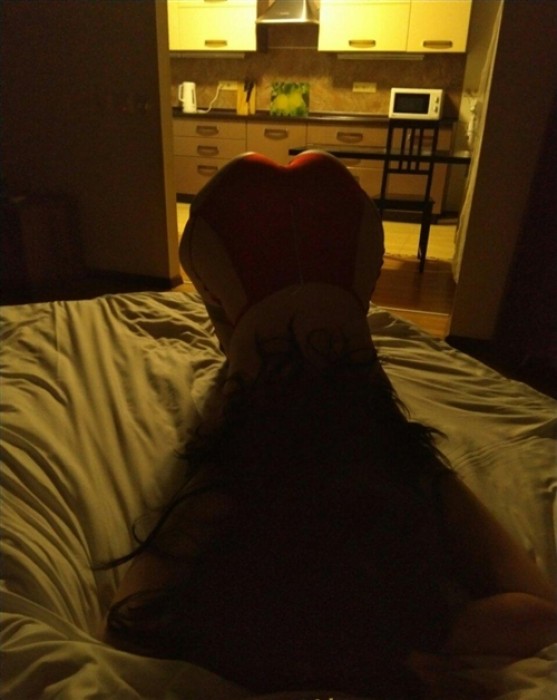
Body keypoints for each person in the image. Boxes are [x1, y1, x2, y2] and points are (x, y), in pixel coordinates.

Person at [102, 152, 557, 698]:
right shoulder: (407, 469)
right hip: (372, 520)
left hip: (283, 494)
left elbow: (128, 622)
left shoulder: (227, 482)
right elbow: (537, 613)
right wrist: (436, 638)